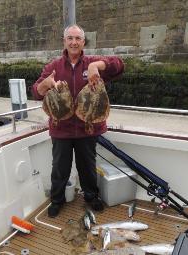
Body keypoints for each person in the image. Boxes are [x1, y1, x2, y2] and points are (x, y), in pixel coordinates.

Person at [32, 24, 124, 217]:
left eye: (78, 39)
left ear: (83, 42)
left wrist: (95, 67)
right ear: (64, 41)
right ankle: (57, 200)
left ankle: (91, 196)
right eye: (70, 38)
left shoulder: (92, 62)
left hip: (87, 128)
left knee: (88, 167)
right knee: (59, 167)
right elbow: (36, 93)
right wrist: (45, 85)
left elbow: (119, 65)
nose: (74, 42)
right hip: (61, 128)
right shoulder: (53, 67)